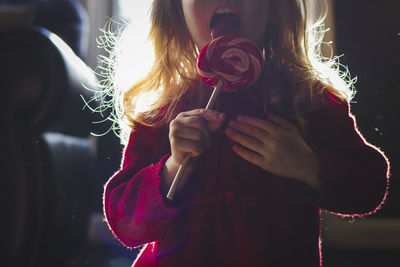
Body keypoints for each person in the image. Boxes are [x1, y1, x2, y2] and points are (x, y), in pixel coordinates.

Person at [103, 0, 390, 266]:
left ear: (276, 9)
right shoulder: (162, 113)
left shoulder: (310, 102)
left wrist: (308, 164)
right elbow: (125, 223)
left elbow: (370, 188)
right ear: (176, 13)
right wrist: (172, 166)